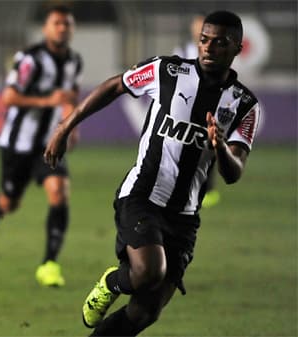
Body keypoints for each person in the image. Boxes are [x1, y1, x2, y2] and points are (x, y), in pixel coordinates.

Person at [44, 11, 260, 336]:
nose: (209, 47)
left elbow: (234, 172)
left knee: (144, 313)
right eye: (205, 39)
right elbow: (117, 85)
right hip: (142, 194)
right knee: (147, 273)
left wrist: (220, 148)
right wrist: (66, 125)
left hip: (184, 216)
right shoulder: (168, 71)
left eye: (220, 42)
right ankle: (112, 282)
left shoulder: (244, 105)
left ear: (237, 49)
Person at [0, 4, 82, 287]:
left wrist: (71, 124)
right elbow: (9, 96)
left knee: (59, 193)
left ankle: (49, 264)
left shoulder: (74, 61)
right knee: (10, 203)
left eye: (67, 24)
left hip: (49, 143)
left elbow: (69, 96)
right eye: (57, 23)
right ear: (46, 28)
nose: (62, 28)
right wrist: (47, 101)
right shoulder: (30, 60)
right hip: (17, 144)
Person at [173, 13, 222, 208]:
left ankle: (207, 188)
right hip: (186, 104)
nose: (199, 29)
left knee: (207, 145)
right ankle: (182, 186)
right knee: (182, 144)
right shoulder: (182, 50)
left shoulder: (216, 51)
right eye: (196, 26)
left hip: (209, 102)